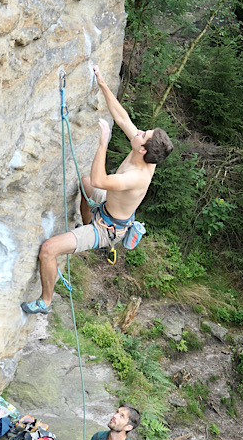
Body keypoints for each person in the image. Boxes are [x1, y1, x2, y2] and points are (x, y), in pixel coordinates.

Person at [22, 65, 173, 314]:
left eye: (143, 134)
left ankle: (45, 301)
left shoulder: (137, 177)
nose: (139, 131)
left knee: (48, 250)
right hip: (108, 206)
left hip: (107, 229)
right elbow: (122, 117)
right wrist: (102, 82)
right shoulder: (146, 153)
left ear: (143, 149)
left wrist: (103, 142)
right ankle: (85, 222)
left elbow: (100, 179)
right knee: (84, 183)